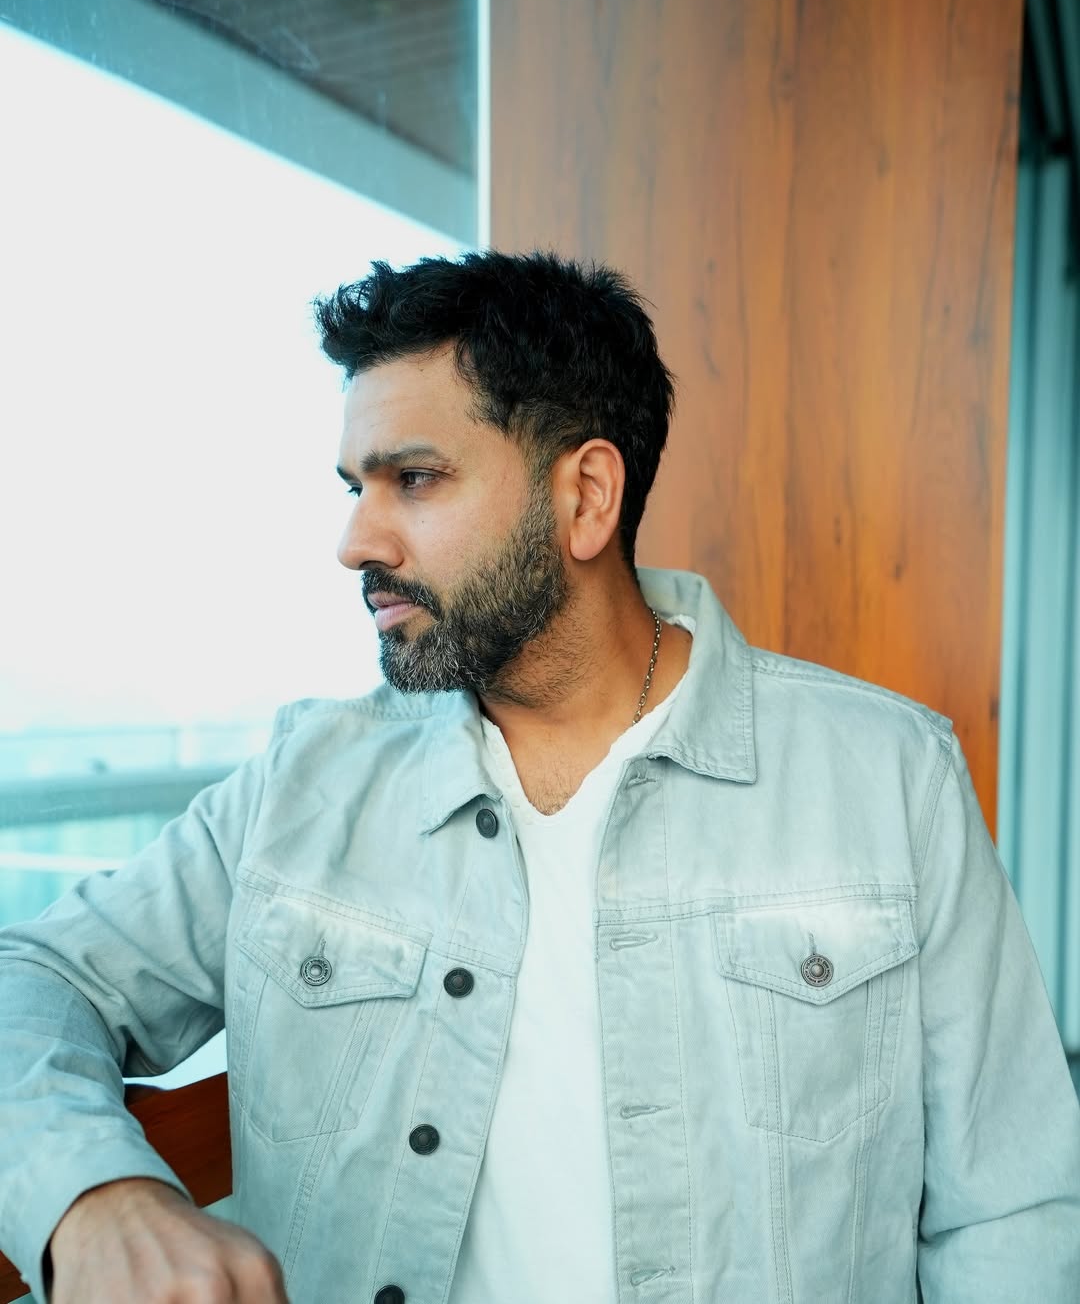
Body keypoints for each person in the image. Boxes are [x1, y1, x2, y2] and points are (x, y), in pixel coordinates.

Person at [0, 250, 1077, 1304]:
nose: (355, 540)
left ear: (586, 496)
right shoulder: (300, 784)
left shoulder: (893, 777)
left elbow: (1013, 1212)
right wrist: (94, 1194)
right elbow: (31, 977)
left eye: (413, 479)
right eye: (355, 486)